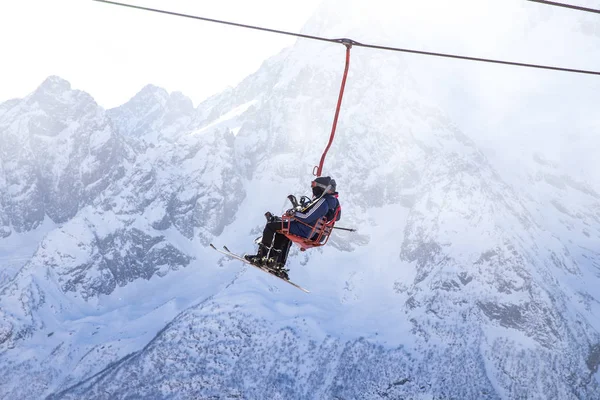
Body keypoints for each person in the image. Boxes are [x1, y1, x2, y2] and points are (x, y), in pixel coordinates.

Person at [244, 176, 341, 279]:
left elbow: (306, 217)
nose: (312, 187)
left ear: (321, 187)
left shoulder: (322, 202)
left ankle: (261, 257)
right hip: (308, 230)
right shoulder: (328, 202)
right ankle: (276, 263)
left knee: (271, 226)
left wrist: (293, 213)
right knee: (282, 230)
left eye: (313, 185)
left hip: (303, 229)